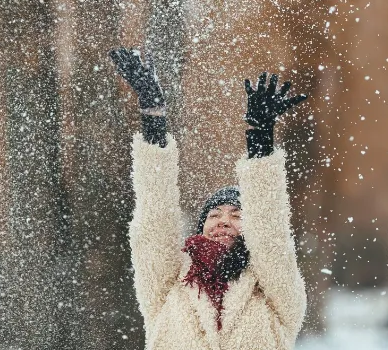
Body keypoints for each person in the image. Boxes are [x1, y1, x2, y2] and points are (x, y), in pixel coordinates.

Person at [110, 48, 308, 350]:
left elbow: (271, 233)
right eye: (214, 214)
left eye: (237, 214)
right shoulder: (169, 284)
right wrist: (152, 117)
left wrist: (261, 142)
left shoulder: (273, 293)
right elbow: (155, 218)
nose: (223, 221)